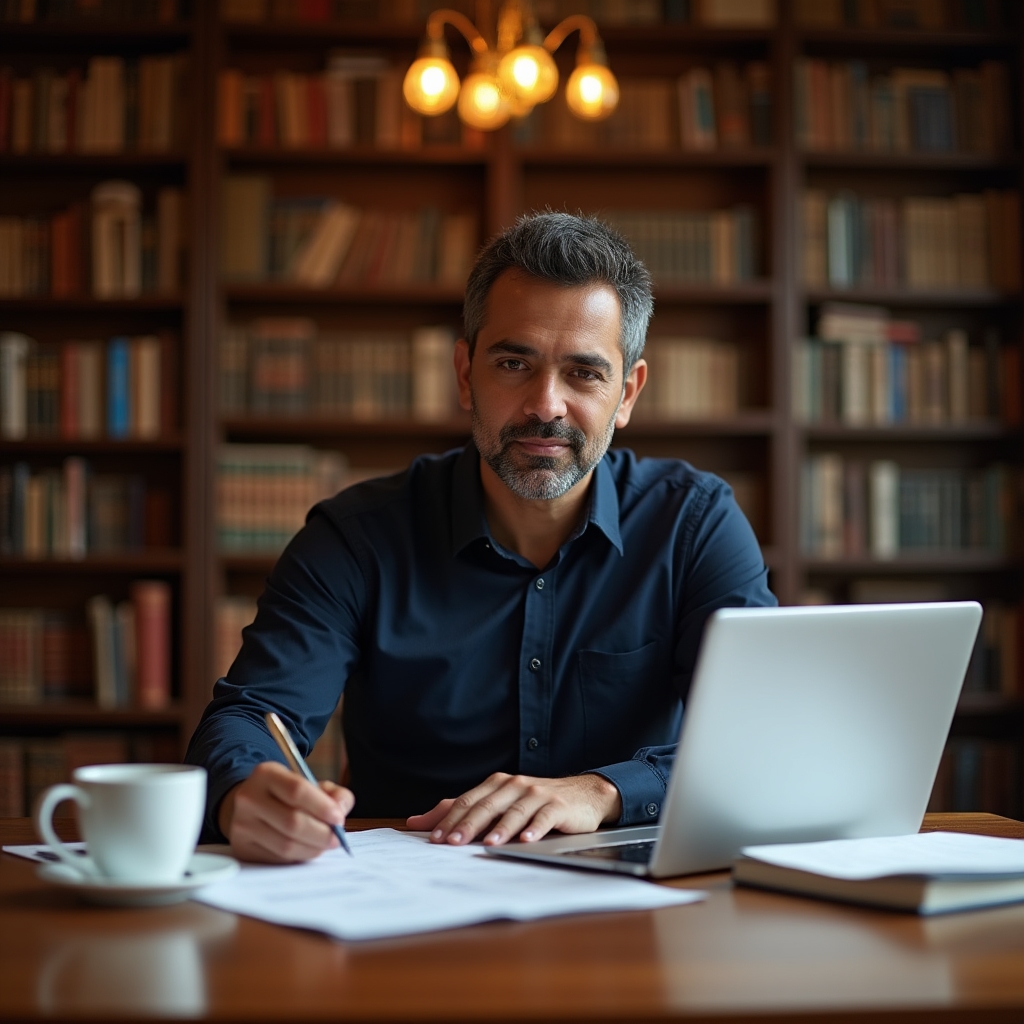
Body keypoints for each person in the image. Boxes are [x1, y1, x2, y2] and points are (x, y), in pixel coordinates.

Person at [185, 211, 776, 863]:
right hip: (404, 911)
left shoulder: (693, 526)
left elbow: (757, 736)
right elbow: (248, 716)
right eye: (514, 363)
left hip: (633, 910)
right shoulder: (355, 538)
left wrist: (605, 791)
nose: (546, 404)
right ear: (466, 373)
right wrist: (246, 794)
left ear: (627, 393)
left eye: (583, 373)